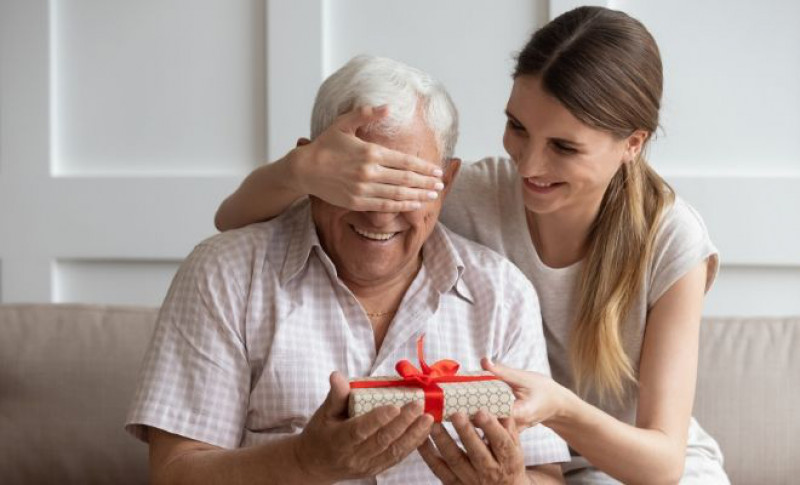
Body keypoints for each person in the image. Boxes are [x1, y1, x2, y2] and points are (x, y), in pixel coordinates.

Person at [212, 6, 730, 484]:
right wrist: (302, 170)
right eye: (517, 127)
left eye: (564, 147)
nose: (529, 165)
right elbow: (232, 221)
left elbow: (662, 460)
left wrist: (559, 408)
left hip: (642, 466)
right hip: (533, 464)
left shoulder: (670, 239)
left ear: (632, 145)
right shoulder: (476, 192)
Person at [125, 55, 570, 484]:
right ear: (310, 169)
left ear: (447, 183)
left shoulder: (502, 293)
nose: (380, 216)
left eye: (406, 188)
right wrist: (303, 462)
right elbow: (175, 474)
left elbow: (544, 476)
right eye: (361, 184)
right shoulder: (226, 275)